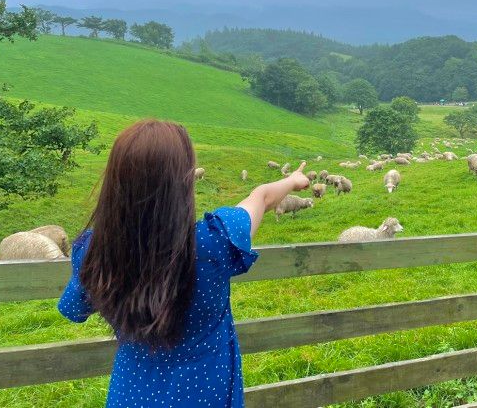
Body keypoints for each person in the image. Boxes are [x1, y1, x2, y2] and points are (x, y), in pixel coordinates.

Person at [58, 119, 309, 407]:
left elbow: (76, 309)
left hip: (130, 396)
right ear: (183, 181)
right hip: (203, 396)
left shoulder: (92, 249)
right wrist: (292, 181)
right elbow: (261, 197)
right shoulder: (214, 242)